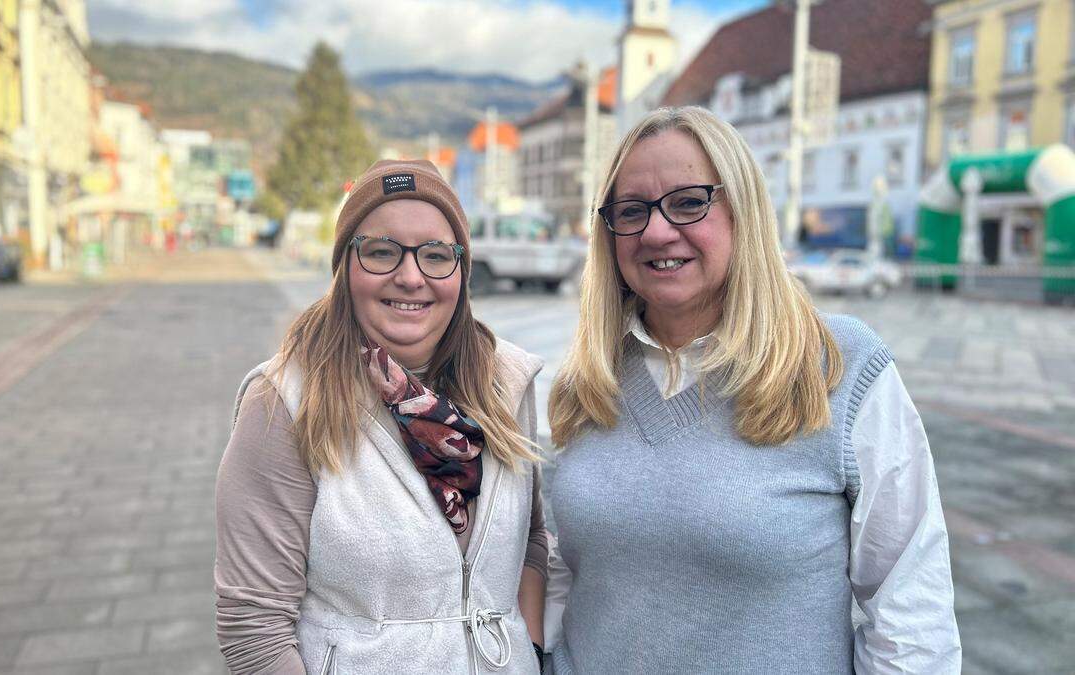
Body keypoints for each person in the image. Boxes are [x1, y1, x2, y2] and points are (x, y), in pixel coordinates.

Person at [543, 106, 961, 673]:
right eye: (632, 210)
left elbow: (912, 609)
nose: (658, 231)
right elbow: (563, 582)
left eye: (689, 202)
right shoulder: (586, 382)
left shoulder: (837, 363)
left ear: (743, 211)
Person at [215, 159, 548, 674]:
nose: (410, 276)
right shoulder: (284, 402)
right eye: (381, 252)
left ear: (461, 269)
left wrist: (527, 648)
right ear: (345, 266)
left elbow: (531, 545)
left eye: (436, 255)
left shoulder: (508, 382)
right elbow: (254, 624)